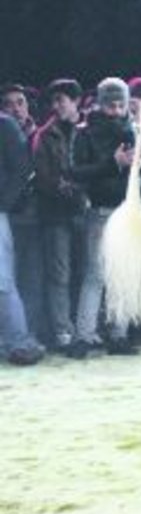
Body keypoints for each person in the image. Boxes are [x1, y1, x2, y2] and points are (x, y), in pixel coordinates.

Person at [70, 77, 141, 355]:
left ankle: (119, 335)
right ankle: (84, 336)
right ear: (100, 103)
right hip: (101, 210)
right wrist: (113, 163)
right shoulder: (84, 133)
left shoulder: (138, 130)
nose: (117, 109)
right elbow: (75, 171)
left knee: (124, 273)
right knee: (96, 274)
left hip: (132, 210)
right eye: (111, 104)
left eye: (121, 104)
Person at [31, 79, 87, 357]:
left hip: (87, 211)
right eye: (53, 101)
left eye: (61, 100)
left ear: (76, 101)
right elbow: (43, 177)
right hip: (57, 214)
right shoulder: (45, 134)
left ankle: (87, 330)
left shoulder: (90, 129)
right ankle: (64, 332)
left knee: (87, 273)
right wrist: (65, 187)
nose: (56, 106)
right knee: (60, 275)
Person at [0, 109, 45, 365]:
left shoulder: (4, 125)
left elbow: (22, 169)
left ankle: (18, 343)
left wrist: (3, 203)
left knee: (2, 282)